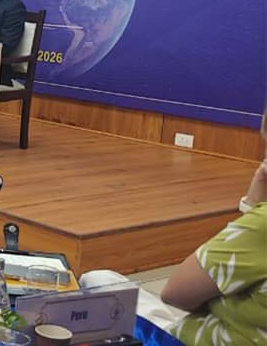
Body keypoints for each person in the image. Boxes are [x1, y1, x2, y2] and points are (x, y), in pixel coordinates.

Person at [81, 111, 267, 345]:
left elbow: (176, 295)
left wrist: (251, 209)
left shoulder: (262, 225)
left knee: (95, 280)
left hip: (187, 340)